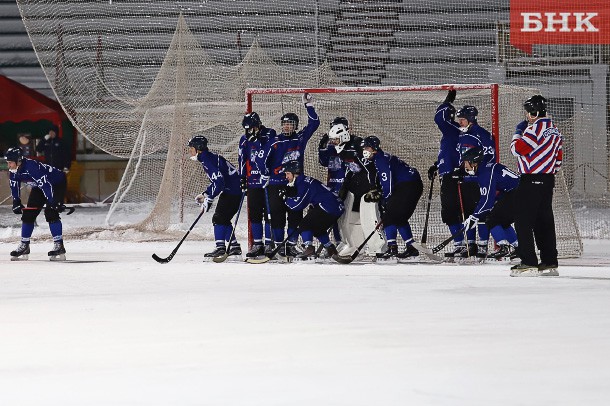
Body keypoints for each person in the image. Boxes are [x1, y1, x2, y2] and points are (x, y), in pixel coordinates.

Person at [258, 93, 320, 257]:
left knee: (295, 214)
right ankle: (278, 246)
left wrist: (309, 106)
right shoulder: (275, 141)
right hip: (276, 182)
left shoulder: (300, 138)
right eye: (284, 124)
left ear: (295, 126)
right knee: (276, 215)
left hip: (296, 183)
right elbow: (261, 159)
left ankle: (291, 245)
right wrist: (264, 174)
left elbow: (315, 123)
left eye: (290, 124)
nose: (286, 127)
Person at [509, 95, 562, 277]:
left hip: (530, 180)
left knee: (523, 221)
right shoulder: (555, 130)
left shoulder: (534, 128)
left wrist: (517, 133)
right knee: (544, 221)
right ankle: (549, 260)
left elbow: (517, 149)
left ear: (533, 112)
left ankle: (528, 262)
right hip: (547, 181)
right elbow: (558, 160)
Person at [361, 136, 423, 259]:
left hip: (408, 185)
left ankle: (392, 248)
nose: (365, 150)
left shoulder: (381, 159)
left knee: (389, 215)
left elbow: (387, 182)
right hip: (411, 184)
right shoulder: (379, 158)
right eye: (364, 148)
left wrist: (385, 199)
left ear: (374, 148)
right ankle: (411, 247)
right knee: (399, 217)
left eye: (367, 148)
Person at [429, 90, 473, 259]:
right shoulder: (453, 132)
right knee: (450, 212)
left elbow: (439, 118)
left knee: (459, 211)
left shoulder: (452, 128)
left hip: (455, 176)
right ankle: (461, 245)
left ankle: (467, 245)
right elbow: (450, 152)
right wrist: (436, 165)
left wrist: (447, 103)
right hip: (448, 173)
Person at [4, 147, 69, 261]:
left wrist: (53, 202)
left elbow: (46, 185)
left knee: (50, 212)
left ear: (18, 161)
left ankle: (59, 245)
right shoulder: (13, 171)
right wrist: (16, 201)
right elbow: (14, 186)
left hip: (56, 183)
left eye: (10, 162)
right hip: (39, 186)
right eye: (7, 163)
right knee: (28, 214)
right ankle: (24, 245)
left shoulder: (31, 167)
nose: (8, 165)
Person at [460, 146, 520, 261]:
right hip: (518, 192)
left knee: (491, 218)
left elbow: (487, 200)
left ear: (474, 162)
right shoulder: (486, 168)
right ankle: (519, 248)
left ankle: (503, 247)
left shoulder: (485, 172)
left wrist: (474, 217)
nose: (465, 165)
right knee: (503, 220)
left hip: (517, 193)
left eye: (466, 162)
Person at [188, 135, 243, 259]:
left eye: (191, 148)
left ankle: (220, 248)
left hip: (232, 192)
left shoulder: (207, 160)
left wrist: (210, 198)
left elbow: (219, 182)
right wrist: (205, 193)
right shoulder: (208, 157)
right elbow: (217, 181)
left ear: (198, 148)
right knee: (224, 219)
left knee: (218, 219)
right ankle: (234, 247)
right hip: (234, 191)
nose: (190, 151)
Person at [455, 104, 496, 260]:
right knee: (468, 214)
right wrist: (460, 169)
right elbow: (463, 156)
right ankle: (470, 244)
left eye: (463, 120)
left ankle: (483, 245)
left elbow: (490, 156)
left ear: (471, 119)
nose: (460, 123)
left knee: (481, 214)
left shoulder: (481, 134)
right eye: (460, 120)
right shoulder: (462, 135)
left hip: (479, 179)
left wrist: (480, 172)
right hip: (466, 179)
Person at [281, 160, 343, 260]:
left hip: (329, 205)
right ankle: (330, 248)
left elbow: (297, 206)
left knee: (304, 224)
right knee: (318, 228)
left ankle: (309, 249)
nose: (286, 177)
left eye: (288, 173)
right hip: (335, 206)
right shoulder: (303, 180)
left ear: (295, 173)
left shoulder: (303, 183)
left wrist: (285, 199)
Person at [238, 112, 277, 258]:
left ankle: (268, 243)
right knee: (254, 213)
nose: (250, 132)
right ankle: (257, 244)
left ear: (258, 125)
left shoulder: (269, 134)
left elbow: (270, 152)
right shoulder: (244, 140)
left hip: (267, 181)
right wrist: (242, 179)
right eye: (247, 129)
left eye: (252, 128)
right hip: (253, 182)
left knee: (269, 212)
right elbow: (242, 158)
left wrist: (258, 141)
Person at [317, 118, 351, 251]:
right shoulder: (331, 147)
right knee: (334, 217)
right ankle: (338, 242)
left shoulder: (350, 146)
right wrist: (322, 148)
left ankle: (350, 243)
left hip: (347, 187)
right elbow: (323, 162)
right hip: (332, 187)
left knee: (347, 217)